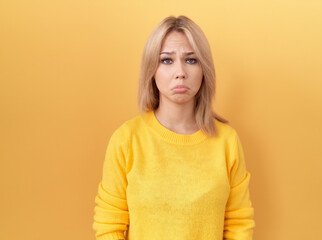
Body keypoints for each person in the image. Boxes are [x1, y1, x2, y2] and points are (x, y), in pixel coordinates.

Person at [93, 15, 255, 240]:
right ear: (152, 69)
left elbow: (239, 224)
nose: (181, 72)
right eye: (167, 60)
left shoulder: (227, 141)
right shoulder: (126, 139)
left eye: (191, 60)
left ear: (204, 69)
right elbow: (109, 225)